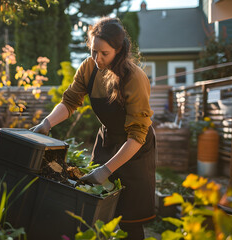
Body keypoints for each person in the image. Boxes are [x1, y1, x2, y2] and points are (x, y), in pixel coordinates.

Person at [31, 17, 156, 239]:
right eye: (93, 51)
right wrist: (46, 123)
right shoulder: (89, 68)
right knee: (95, 210)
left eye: (104, 53)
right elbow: (70, 101)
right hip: (107, 141)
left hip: (134, 149)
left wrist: (105, 171)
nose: (97, 58)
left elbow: (137, 135)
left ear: (119, 51)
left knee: (130, 221)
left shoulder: (135, 78)